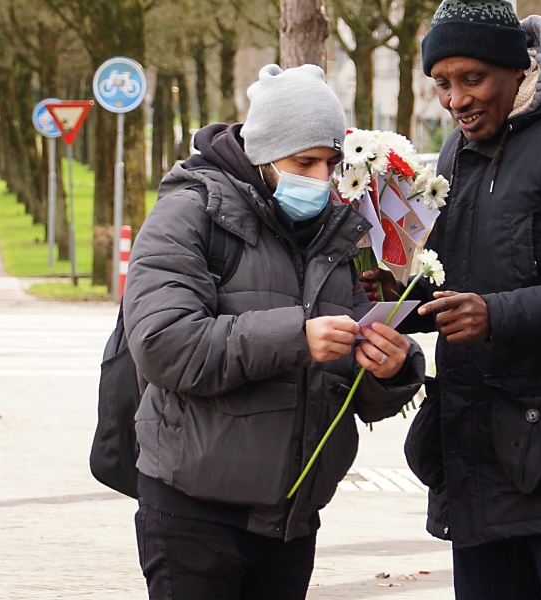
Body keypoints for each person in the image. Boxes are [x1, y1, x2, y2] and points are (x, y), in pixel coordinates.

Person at [362, 2, 541, 598]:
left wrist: (496, 315)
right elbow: (459, 280)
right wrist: (403, 300)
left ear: (519, 69)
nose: (456, 100)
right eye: (442, 83)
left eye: (473, 79)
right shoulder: (457, 152)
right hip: (477, 452)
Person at [122, 63, 425, 600]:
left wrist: (392, 368)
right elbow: (163, 344)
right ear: (263, 153)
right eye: (304, 162)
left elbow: (354, 388)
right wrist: (296, 338)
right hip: (194, 510)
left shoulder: (337, 231)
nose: (320, 178)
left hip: (291, 519)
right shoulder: (188, 213)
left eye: (330, 163)